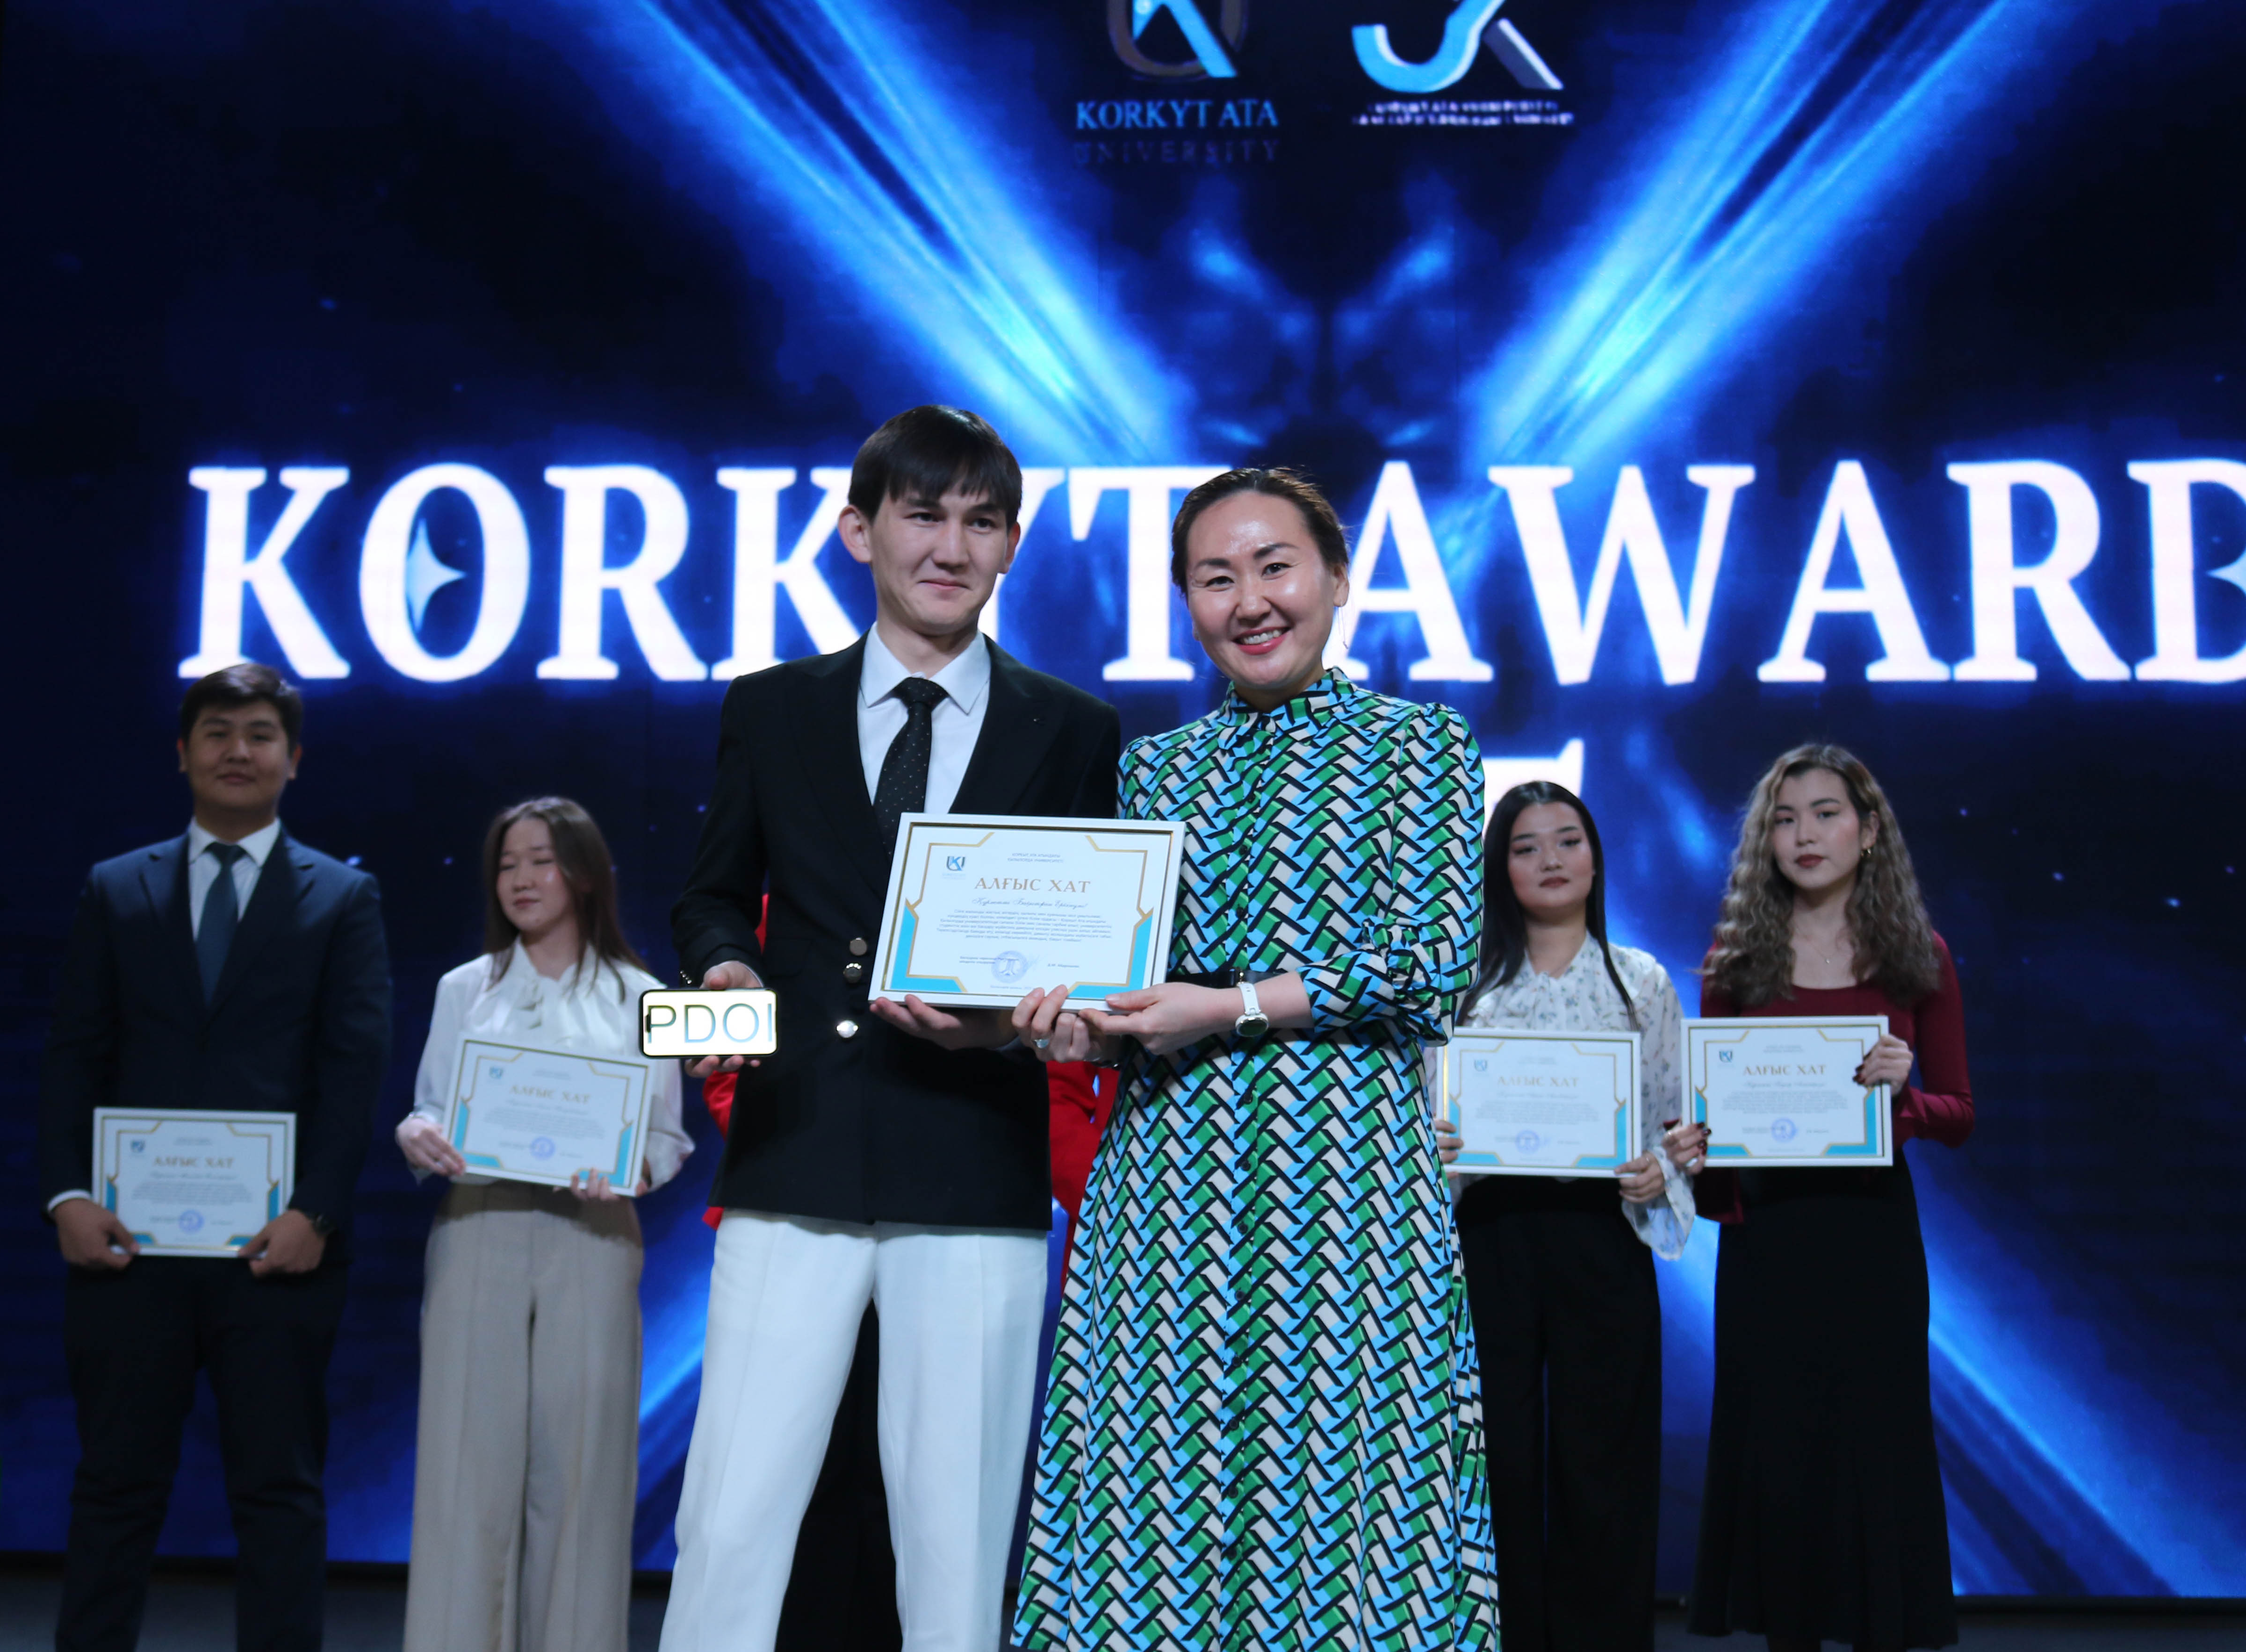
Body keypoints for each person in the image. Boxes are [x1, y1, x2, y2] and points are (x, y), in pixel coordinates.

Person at [661, 404, 1121, 1652]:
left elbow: (1091, 944)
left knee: (956, 1541)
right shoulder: (772, 706)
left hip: (970, 1160)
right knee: (730, 1519)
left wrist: (1029, 1023)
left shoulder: (1073, 728)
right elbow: (712, 892)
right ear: (859, 529)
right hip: (795, 1144)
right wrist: (725, 967)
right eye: (922, 514)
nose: (950, 547)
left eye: (981, 521)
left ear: (1012, 544)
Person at [1014, 467, 1497, 1650]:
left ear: (1335, 578)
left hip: (1345, 1191)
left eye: (1274, 567)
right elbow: (1126, 983)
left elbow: (1430, 967)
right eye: (1214, 578)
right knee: (1148, 1491)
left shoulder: (1419, 745)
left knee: (1343, 1499)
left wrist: (1226, 1006)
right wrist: (1076, 1026)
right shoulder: (1151, 769)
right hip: (1164, 1185)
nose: (1249, 601)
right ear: (1186, 602)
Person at [38, 663, 392, 1652]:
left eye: (260, 734)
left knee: (279, 1490)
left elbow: (353, 1069)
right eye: (218, 732)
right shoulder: (116, 886)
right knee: (113, 1486)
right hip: (124, 1245)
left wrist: (316, 1210)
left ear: (294, 759)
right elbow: (74, 1053)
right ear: (183, 752)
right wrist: (66, 1193)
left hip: (278, 1250)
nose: (239, 751)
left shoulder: (342, 897)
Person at [1686, 744, 1974, 1652]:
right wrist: (1695, 1152)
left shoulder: (1917, 957)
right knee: (1778, 1455)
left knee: (1874, 1447)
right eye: (1782, 819)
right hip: (1767, 1239)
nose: (1802, 835)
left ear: (1868, 828)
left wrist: (1901, 1098)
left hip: (1870, 1236)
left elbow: (1958, 1114)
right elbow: (1712, 1127)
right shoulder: (1733, 961)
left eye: (1823, 813)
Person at [393, 797, 691, 1652]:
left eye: (540, 860)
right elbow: (431, 1107)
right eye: (506, 864)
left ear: (585, 874)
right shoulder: (466, 987)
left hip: (592, 1236)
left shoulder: (642, 995)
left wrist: (634, 1169)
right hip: (477, 1227)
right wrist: (416, 1133)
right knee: (464, 1467)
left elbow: (666, 1136)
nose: (521, 879)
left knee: (584, 1468)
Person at [1447, 780, 1708, 1651]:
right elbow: (1423, 1122)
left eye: (1567, 840)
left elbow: (1676, 1126)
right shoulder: (1463, 989)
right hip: (1489, 1236)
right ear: (1498, 868)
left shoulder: (1642, 982)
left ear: (1596, 857)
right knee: (1495, 1456)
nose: (1550, 860)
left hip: (1603, 1235)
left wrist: (1659, 1168)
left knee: (1605, 1457)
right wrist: (1436, 1144)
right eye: (1525, 847)